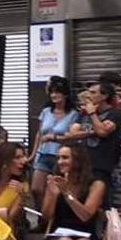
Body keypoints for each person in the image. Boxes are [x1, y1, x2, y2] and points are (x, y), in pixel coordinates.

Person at [30, 77, 80, 215]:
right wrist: (33, 154)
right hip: (43, 154)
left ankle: (52, 220)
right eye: (52, 92)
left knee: (54, 191)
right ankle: (42, 217)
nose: (54, 95)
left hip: (60, 157)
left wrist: (55, 138)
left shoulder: (73, 114)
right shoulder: (46, 111)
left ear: (65, 94)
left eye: (57, 92)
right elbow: (39, 134)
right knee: (36, 189)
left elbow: (73, 138)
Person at [69, 80, 121, 200]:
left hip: (102, 166)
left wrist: (93, 114)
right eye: (89, 92)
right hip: (84, 164)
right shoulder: (84, 114)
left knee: (101, 202)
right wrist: (93, 132)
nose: (89, 95)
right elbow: (73, 133)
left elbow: (102, 133)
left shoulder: (114, 114)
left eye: (93, 92)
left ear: (104, 96)